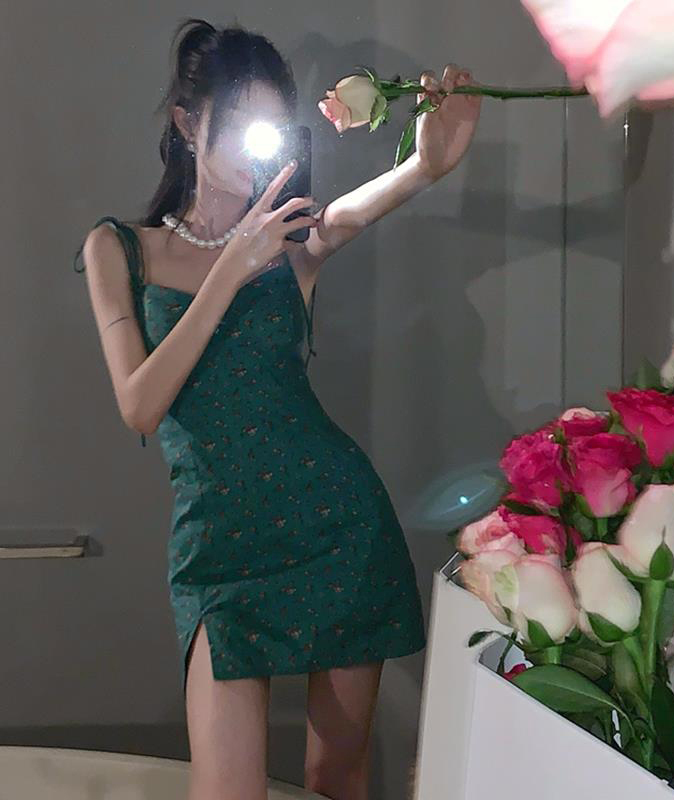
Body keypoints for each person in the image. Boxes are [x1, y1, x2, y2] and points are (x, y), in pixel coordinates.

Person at [73, 17, 481, 800]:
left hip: (339, 527)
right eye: (236, 123)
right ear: (186, 123)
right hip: (219, 552)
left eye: (267, 126)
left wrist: (427, 164)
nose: (251, 148)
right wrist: (230, 268)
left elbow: (364, 206)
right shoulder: (118, 248)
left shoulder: (295, 240)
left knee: (335, 779)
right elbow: (140, 405)